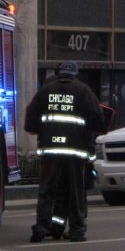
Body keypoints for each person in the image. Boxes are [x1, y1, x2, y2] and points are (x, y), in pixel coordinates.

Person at [25, 61, 106, 242]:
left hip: (50, 150)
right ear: (75, 73)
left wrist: (46, 131)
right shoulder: (83, 91)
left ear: (59, 72)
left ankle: (41, 227)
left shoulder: (44, 91)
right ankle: (77, 230)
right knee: (75, 191)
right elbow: (98, 120)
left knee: (47, 190)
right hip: (75, 151)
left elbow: (30, 122)